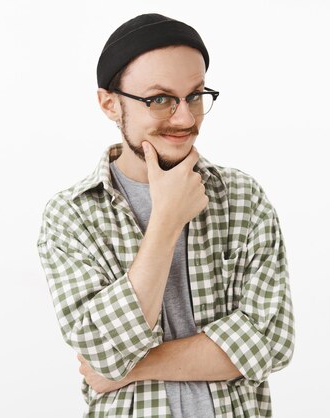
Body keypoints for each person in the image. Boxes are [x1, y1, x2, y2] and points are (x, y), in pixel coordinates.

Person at [36, 13, 295, 418]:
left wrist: (127, 370)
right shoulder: (72, 216)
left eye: (194, 95)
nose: (185, 118)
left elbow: (270, 342)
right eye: (160, 99)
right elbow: (98, 349)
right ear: (109, 103)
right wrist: (166, 222)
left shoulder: (243, 198)